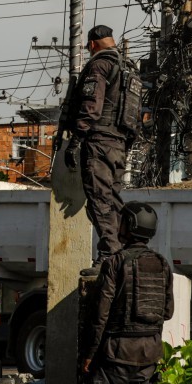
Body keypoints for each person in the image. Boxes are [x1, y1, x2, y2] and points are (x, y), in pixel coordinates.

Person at [69, 200, 174, 384]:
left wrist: (89, 354)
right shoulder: (162, 264)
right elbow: (167, 312)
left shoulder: (115, 263)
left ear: (128, 225)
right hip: (149, 354)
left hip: (116, 352)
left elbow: (100, 314)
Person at [60, 24, 132, 261]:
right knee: (113, 200)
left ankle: (110, 254)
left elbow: (92, 106)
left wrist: (76, 140)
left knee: (99, 200)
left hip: (99, 141)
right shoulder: (128, 68)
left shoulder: (99, 65)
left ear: (92, 44)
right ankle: (120, 250)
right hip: (119, 144)